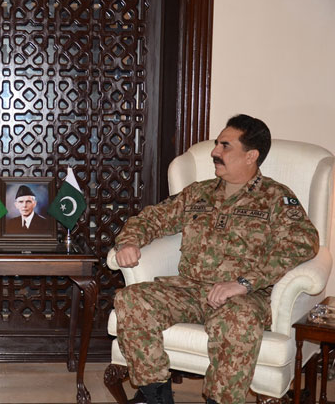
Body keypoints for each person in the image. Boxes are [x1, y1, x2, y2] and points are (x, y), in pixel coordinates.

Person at [113, 114, 319, 404]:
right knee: (131, 299)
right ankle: (154, 394)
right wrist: (129, 241)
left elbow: (303, 243)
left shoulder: (276, 197)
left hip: (243, 296)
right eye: (216, 145)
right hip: (188, 289)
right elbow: (152, 218)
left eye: (225, 146)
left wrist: (244, 282)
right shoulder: (198, 193)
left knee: (238, 320)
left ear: (251, 156)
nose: (214, 152)